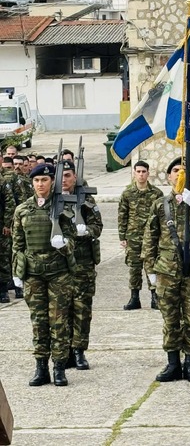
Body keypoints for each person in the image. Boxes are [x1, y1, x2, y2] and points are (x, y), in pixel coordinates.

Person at [142, 157, 190, 382]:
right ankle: (172, 363)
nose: (180, 174)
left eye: (184, 171)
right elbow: (150, 239)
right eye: (176, 171)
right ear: (169, 177)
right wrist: (150, 271)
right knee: (170, 318)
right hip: (166, 270)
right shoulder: (160, 204)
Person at [11, 163, 76, 387]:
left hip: (58, 273)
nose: (40, 184)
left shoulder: (62, 208)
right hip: (33, 274)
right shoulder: (22, 210)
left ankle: (59, 368)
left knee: (58, 322)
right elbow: (17, 244)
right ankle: (41, 368)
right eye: (37, 180)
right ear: (32, 183)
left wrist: (63, 244)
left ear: (52, 182)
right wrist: (17, 272)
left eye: (44, 180)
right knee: (39, 322)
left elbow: (74, 242)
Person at [61, 159, 103, 370]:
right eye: (61, 176)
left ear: (75, 177)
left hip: (83, 262)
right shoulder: (52, 199)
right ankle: (64, 351)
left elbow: (98, 226)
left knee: (82, 309)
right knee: (61, 310)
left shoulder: (85, 199)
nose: (64, 180)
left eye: (68, 175)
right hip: (59, 263)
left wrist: (86, 230)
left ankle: (79, 350)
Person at [118, 160, 163, 310]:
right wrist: (122, 237)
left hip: (151, 236)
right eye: (138, 172)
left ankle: (155, 297)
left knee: (152, 266)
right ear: (134, 173)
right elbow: (122, 215)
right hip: (133, 236)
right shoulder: (127, 194)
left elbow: (161, 216)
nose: (141, 174)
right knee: (134, 268)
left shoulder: (157, 193)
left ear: (148, 173)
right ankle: (134, 298)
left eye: (144, 172)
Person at [0, 174, 16, 303]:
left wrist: (7, 223)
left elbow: (10, 203)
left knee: (3, 257)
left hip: (1, 227)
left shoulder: (2, 182)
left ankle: (3, 290)